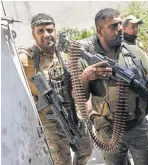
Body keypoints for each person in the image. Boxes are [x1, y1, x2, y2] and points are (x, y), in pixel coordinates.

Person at [75, 8, 148, 165]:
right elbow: (80, 97)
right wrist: (85, 77)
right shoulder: (86, 60)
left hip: (138, 125)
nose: (120, 29)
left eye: (120, 24)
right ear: (100, 31)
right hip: (108, 130)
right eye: (113, 26)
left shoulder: (134, 52)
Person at [18, 13, 93, 165]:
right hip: (51, 123)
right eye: (40, 31)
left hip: (74, 114)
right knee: (62, 161)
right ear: (33, 33)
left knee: (86, 151)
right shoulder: (26, 59)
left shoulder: (65, 53)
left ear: (55, 31)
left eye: (50, 30)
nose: (46, 35)